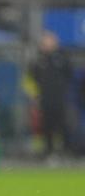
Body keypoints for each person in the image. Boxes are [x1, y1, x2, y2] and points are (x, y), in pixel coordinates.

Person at [30, 31, 74, 159]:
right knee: (46, 126)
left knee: (63, 125)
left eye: (50, 41)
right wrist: (35, 96)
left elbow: (69, 75)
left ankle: (65, 151)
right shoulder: (39, 60)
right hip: (45, 99)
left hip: (60, 99)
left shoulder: (62, 57)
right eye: (45, 41)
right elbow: (33, 77)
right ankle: (48, 152)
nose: (47, 44)